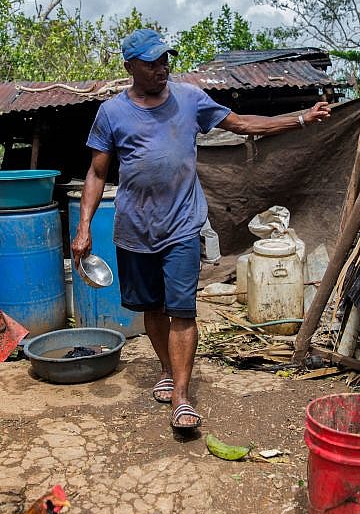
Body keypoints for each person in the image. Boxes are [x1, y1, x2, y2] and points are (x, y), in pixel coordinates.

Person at [71, 28, 331, 432]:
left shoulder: (190, 99)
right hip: (134, 229)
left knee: (182, 310)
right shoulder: (112, 113)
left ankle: (182, 395)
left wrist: (301, 118)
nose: (162, 68)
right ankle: (165, 368)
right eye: (152, 62)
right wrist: (83, 226)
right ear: (130, 67)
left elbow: (243, 123)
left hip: (182, 225)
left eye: (165, 60)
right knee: (152, 309)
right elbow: (97, 172)